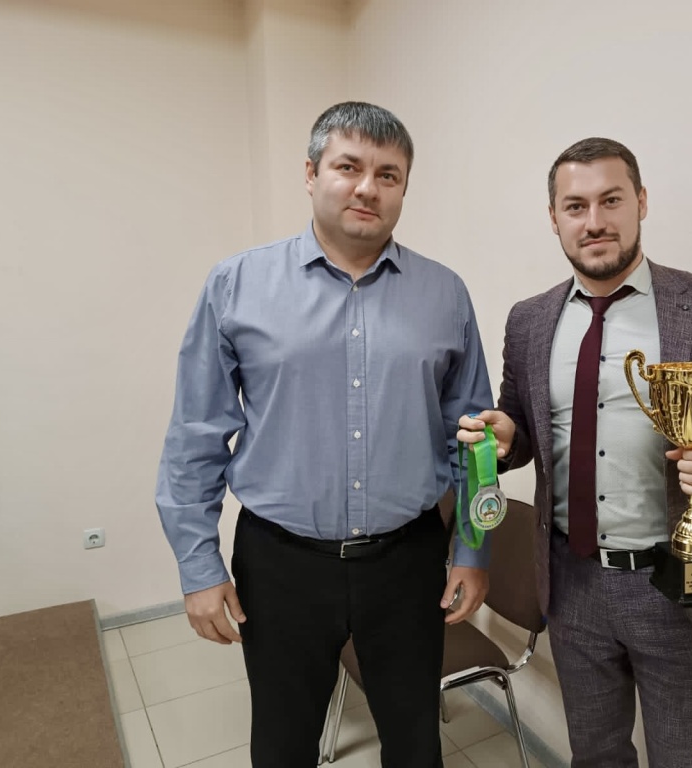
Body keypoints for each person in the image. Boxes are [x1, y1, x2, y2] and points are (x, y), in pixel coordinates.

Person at [156, 101, 493, 768]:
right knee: (283, 746)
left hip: (408, 561)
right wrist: (198, 567)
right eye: (348, 167)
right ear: (311, 174)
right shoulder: (237, 284)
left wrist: (473, 552)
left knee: (416, 744)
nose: (368, 188)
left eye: (388, 175)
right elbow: (195, 437)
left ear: (404, 188)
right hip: (280, 564)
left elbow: (473, 439)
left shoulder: (445, 294)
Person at [458, 137, 692, 767]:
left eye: (611, 200)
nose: (594, 221)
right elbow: (523, 427)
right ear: (554, 218)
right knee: (595, 757)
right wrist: (506, 438)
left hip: (678, 584)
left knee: (688, 758)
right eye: (575, 206)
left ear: (641, 202)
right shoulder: (529, 320)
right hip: (570, 585)